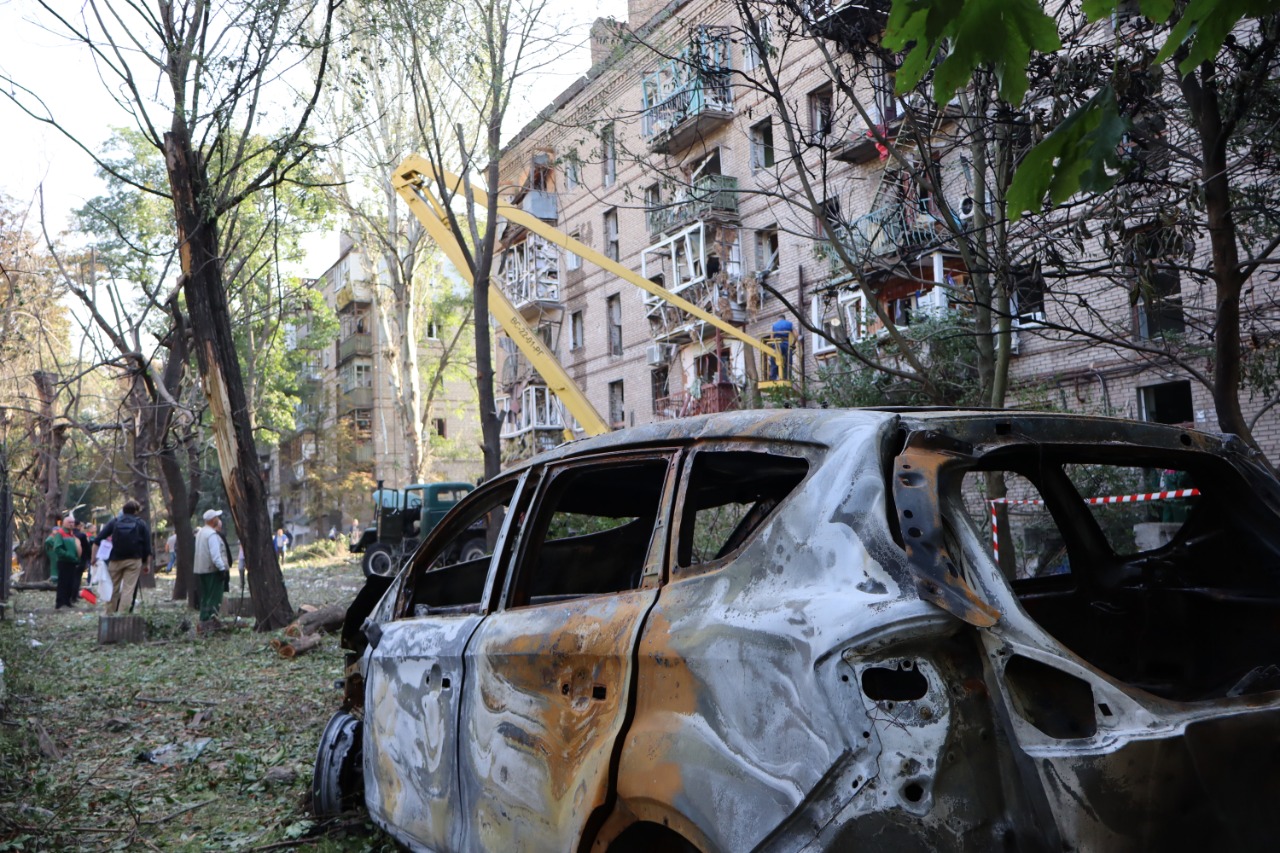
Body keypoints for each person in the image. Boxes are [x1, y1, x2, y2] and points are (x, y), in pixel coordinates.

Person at [95, 500, 153, 614]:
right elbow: (147, 546)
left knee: (113, 588)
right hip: (134, 560)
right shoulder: (141, 523)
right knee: (128, 589)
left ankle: (109, 614)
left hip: (115, 560)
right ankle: (122, 615)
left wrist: (94, 558)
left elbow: (98, 540)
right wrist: (147, 564)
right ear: (136, 511)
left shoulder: (114, 522)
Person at [194, 509, 231, 632]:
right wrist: (222, 569)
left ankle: (203, 620)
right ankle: (211, 621)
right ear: (212, 520)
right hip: (212, 570)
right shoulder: (212, 535)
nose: (218, 519)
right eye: (216, 517)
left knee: (205, 597)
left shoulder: (200, 533)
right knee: (214, 597)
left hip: (201, 570)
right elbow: (215, 556)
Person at [45, 515, 82, 610]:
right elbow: (58, 548)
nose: (71, 524)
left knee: (70, 583)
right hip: (64, 562)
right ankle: (60, 603)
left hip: (72, 562)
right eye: (69, 522)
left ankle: (67, 602)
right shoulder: (60, 533)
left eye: (73, 522)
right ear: (64, 523)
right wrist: (69, 555)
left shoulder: (71, 534)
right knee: (63, 583)